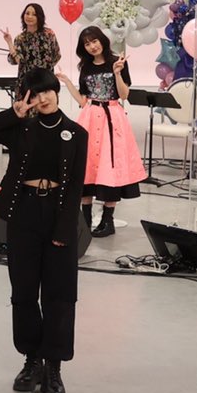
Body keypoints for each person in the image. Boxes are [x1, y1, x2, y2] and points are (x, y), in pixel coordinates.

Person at [0, 70, 86, 393]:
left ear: (56, 91)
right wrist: (14, 113)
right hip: (23, 213)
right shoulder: (22, 128)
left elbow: (75, 186)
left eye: (47, 91)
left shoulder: (76, 134)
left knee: (60, 295)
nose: (43, 98)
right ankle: (31, 361)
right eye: (35, 94)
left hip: (58, 215)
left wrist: (65, 230)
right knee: (23, 291)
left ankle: (54, 368)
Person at [63, 25, 144, 239]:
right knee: (87, 166)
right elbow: (83, 100)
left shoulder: (117, 61)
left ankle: (108, 221)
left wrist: (117, 73)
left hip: (112, 117)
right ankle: (85, 222)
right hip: (90, 116)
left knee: (111, 165)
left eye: (94, 41)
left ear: (102, 40)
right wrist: (67, 82)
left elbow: (124, 95)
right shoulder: (85, 67)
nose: (92, 46)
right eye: (87, 44)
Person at [0, 3, 59, 83]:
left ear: (39, 17)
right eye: (27, 13)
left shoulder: (49, 34)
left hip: (46, 81)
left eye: (34, 14)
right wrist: (9, 42)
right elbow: (17, 61)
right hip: (26, 82)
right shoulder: (20, 38)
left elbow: (56, 55)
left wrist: (45, 70)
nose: (29, 17)